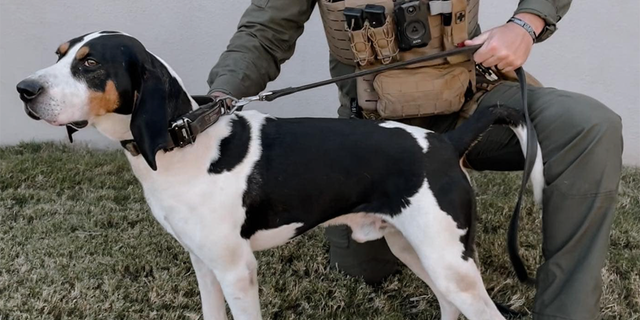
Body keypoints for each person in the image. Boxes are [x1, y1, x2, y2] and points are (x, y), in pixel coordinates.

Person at [206, 1, 623, 319]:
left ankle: (567, 310)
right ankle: (428, 215)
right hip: (375, 144)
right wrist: (219, 99)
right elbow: (263, 33)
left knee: (589, 126)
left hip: (470, 107)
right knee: (363, 267)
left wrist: (526, 23)